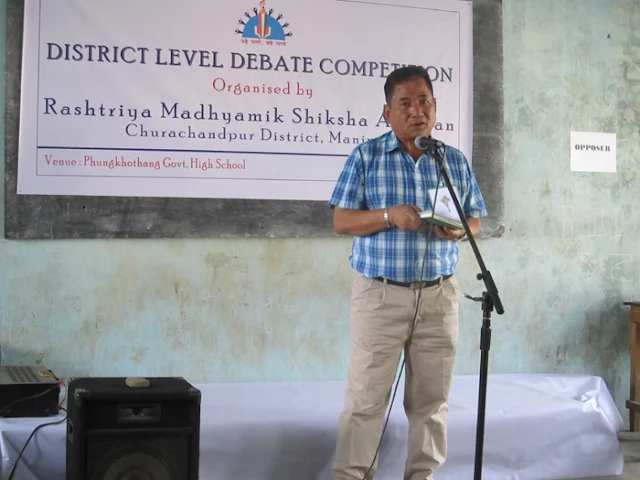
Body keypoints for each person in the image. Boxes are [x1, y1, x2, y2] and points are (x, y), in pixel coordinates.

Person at [328, 65, 488, 480]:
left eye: (424, 101)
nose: (417, 111)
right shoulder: (366, 156)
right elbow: (342, 221)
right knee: (366, 401)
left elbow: (475, 220)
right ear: (387, 112)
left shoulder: (452, 160)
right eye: (405, 104)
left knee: (431, 403)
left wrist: (458, 230)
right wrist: (389, 215)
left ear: (435, 106)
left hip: (439, 296)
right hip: (381, 296)